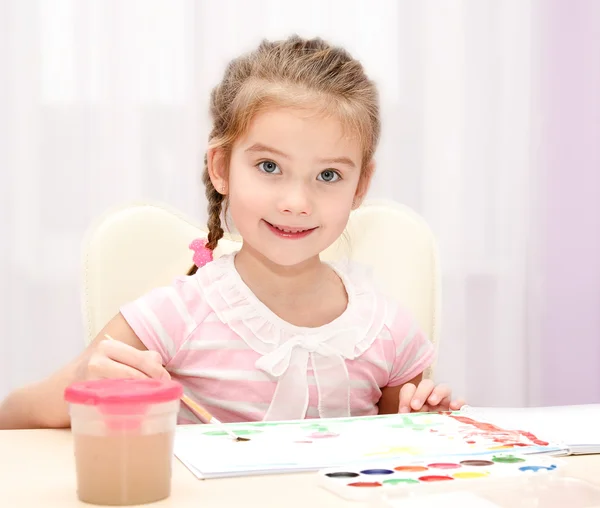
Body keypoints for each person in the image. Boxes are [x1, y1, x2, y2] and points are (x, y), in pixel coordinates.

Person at [0, 35, 464, 429]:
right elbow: (12, 420)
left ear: (360, 185)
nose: (296, 202)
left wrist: (426, 423)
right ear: (221, 167)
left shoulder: (388, 330)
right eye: (269, 166)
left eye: (328, 176)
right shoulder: (176, 316)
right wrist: (81, 379)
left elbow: (397, 445)